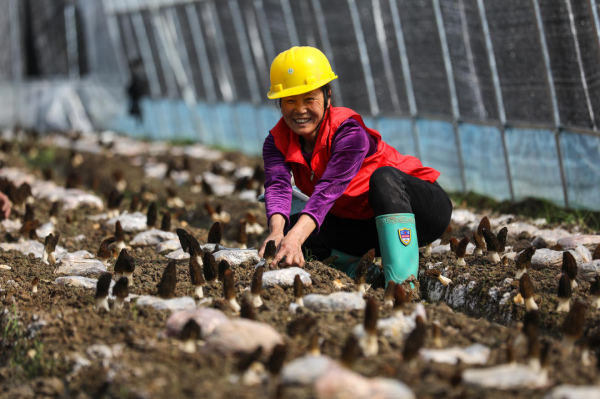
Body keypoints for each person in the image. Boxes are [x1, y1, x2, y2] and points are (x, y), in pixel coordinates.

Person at [258, 46, 452, 284]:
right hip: (367, 224)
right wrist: (278, 232)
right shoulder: (276, 142)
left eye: (310, 99)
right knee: (301, 234)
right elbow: (277, 186)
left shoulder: (349, 132)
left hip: (420, 211)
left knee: (383, 178)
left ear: (328, 96)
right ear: (280, 103)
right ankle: (362, 276)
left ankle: (403, 284)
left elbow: (329, 189)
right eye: (290, 100)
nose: (300, 110)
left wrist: (295, 236)